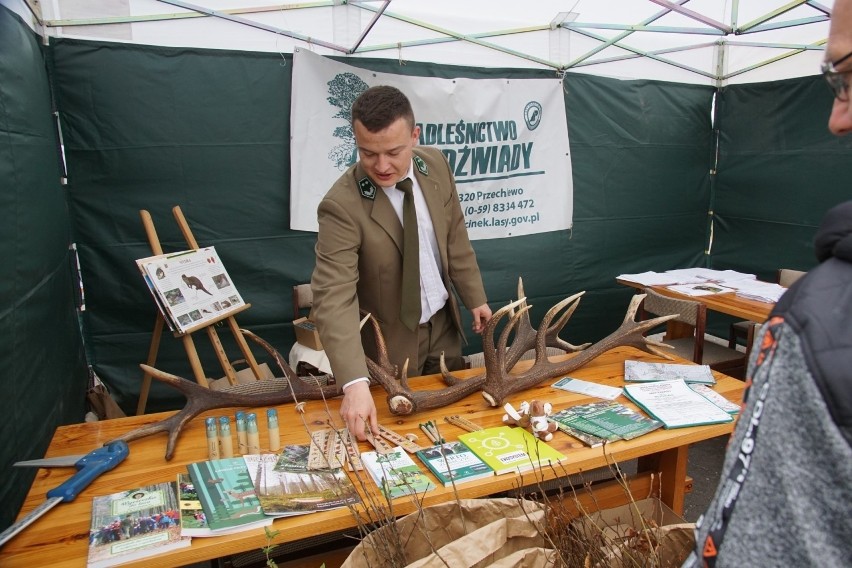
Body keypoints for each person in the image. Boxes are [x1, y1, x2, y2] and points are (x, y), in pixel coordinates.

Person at [683, 5, 852, 565]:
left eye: (846, 77)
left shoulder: (819, 319)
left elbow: (750, 537)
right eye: (835, 81)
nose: (836, 118)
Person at [311, 86, 492, 441]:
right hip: (387, 346)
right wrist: (354, 382)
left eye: (393, 152)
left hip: (443, 328)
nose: (381, 166)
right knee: (397, 440)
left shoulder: (435, 164)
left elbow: (454, 235)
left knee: (450, 431)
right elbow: (333, 296)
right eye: (367, 153)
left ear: (414, 135)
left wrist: (475, 297)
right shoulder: (341, 205)